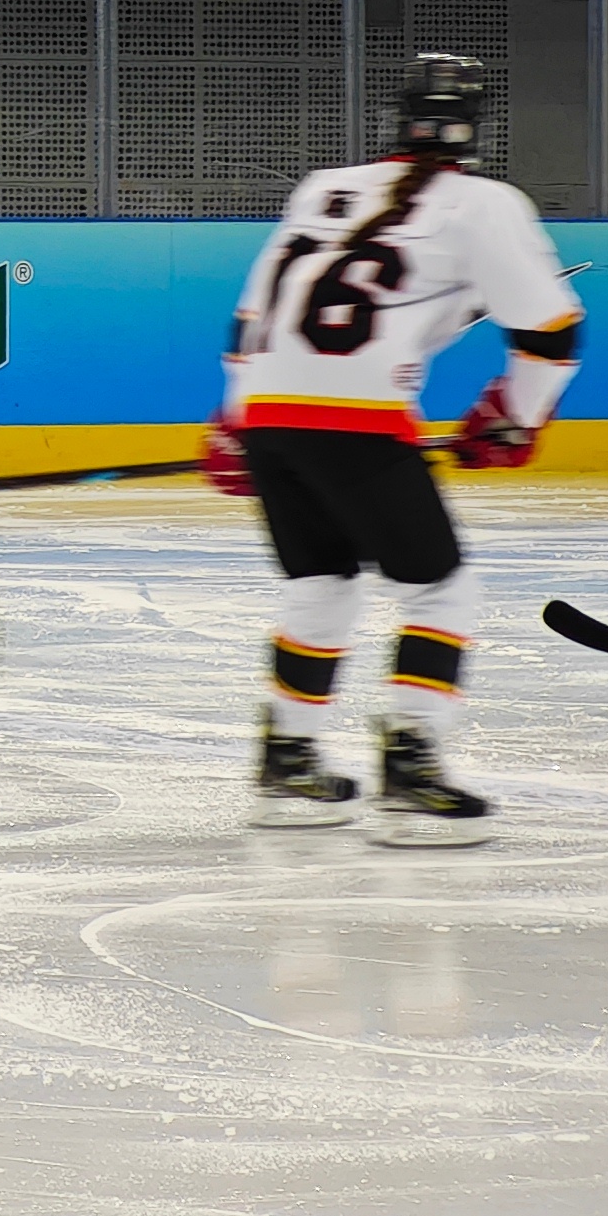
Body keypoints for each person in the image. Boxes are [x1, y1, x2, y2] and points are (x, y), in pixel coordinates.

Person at [210, 53, 578, 845]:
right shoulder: (485, 203)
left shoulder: (323, 188)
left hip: (273, 414)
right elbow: (551, 331)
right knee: (441, 592)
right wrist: (515, 414)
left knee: (321, 583)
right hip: (358, 423)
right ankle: (413, 777)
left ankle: (289, 765)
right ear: (476, 129)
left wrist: (237, 419)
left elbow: (251, 321)